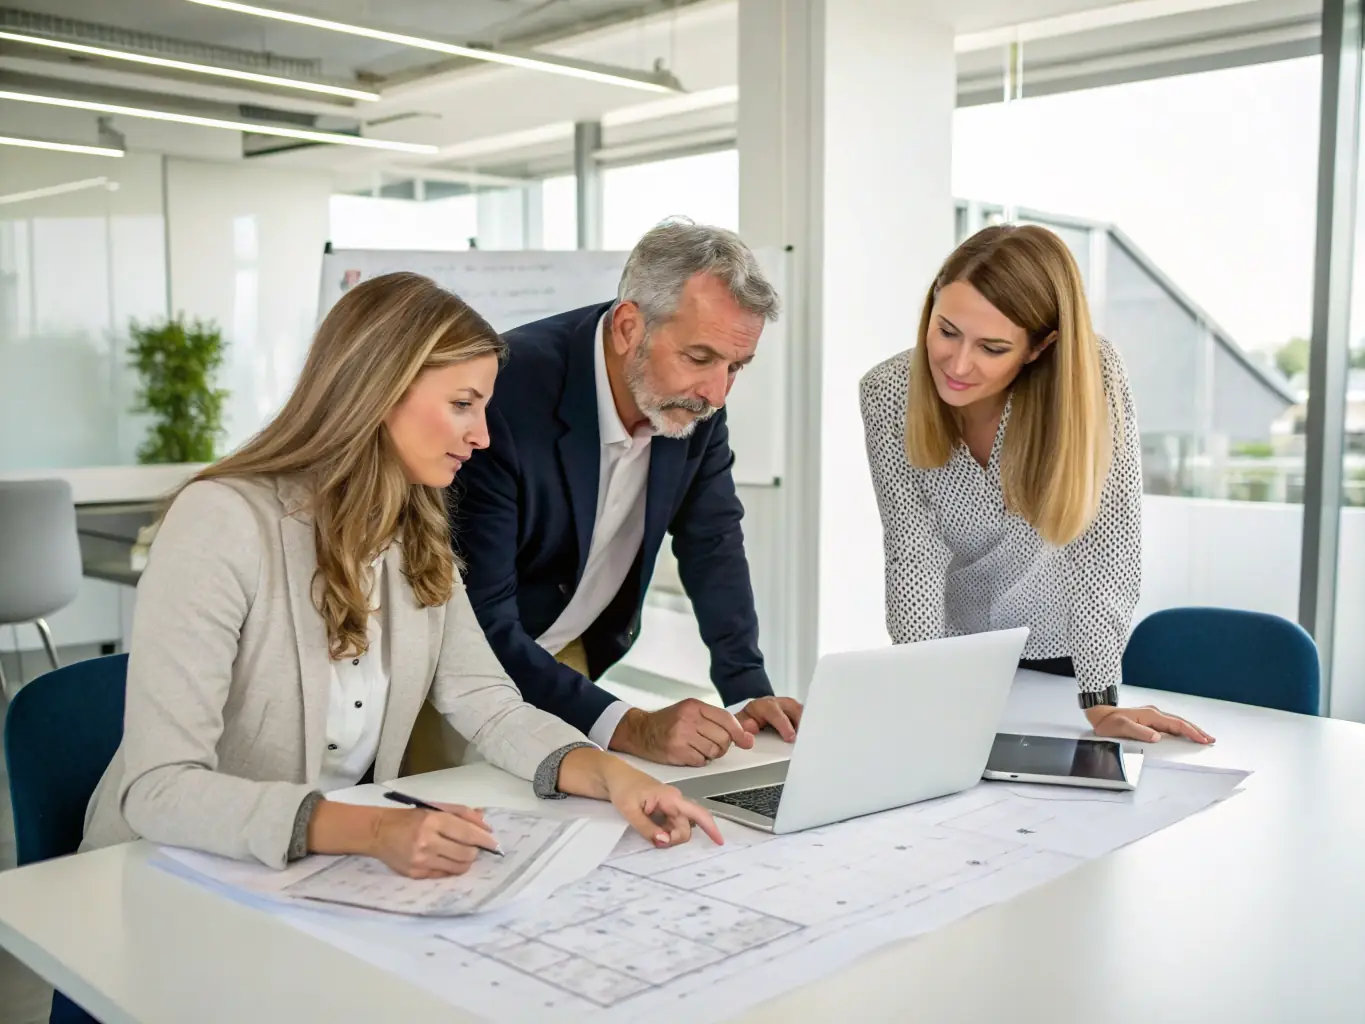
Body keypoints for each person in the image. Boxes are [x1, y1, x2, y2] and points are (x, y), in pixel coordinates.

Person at [79, 271, 722, 877]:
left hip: (307, 875)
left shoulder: (414, 529)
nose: (482, 437)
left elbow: (488, 704)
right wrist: (375, 830)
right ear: (378, 392)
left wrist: (613, 775)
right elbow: (160, 787)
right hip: (158, 872)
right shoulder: (222, 520)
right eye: (462, 404)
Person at [451, 219, 803, 768]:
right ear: (627, 328)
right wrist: (633, 725)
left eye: (736, 367)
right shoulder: (507, 393)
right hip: (464, 663)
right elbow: (479, 619)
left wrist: (746, 690)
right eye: (700, 358)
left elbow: (712, 540)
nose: (717, 393)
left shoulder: (694, 401)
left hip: (568, 650)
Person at [859, 224, 1213, 744]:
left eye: (992, 347)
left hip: (1067, 652)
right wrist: (921, 686)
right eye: (947, 331)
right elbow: (913, 552)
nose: (958, 364)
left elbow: (1107, 548)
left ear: (1038, 346)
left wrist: (1100, 700)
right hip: (953, 654)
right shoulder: (888, 392)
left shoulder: (1092, 376)